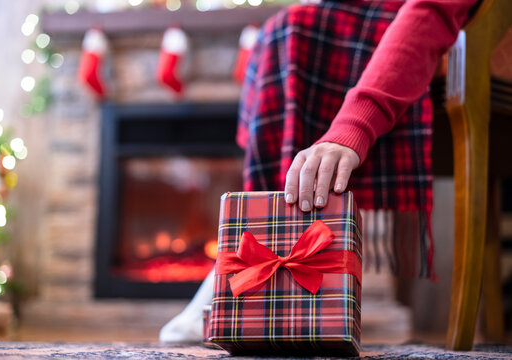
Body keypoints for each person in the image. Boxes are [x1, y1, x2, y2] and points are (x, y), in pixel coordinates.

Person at [160, 0, 479, 343]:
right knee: (290, 26)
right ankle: (260, 257)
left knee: (299, 28)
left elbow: (431, 8)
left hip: (461, 34)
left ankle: (262, 264)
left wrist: (352, 128)